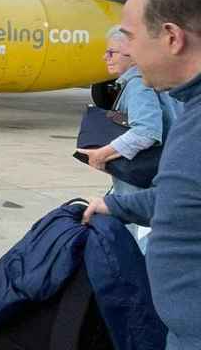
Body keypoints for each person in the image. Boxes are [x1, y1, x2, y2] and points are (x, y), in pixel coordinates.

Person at [81, 0, 201, 350]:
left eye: (129, 38)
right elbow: (181, 199)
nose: (127, 51)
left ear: (171, 37)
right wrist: (114, 205)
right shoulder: (190, 109)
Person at [79, 26, 179, 253]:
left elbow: (147, 131)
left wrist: (102, 154)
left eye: (111, 52)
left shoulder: (137, 84)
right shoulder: (155, 81)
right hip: (161, 171)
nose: (106, 57)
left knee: (132, 234)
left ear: (132, 56)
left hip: (140, 177)